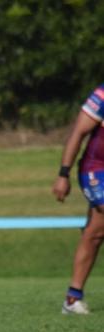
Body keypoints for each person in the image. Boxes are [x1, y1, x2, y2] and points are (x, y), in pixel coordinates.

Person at [53, 84, 104, 315]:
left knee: (94, 233)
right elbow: (78, 132)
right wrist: (64, 174)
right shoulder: (102, 95)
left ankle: (73, 298)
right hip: (97, 170)